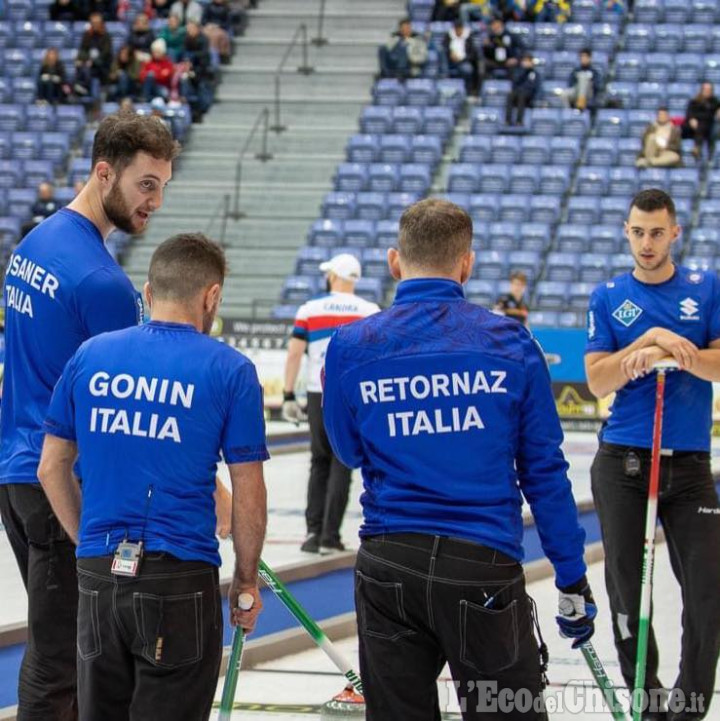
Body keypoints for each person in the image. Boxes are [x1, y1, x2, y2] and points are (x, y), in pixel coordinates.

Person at [322, 198, 594, 720]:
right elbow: (544, 473)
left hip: (389, 562)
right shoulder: (510, 342)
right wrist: (571, 577)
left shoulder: (351, 344)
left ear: (394, 261)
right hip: (481, 564)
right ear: (467, 264)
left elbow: (348, 450)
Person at [38, 232, 268, 721]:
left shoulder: (90, 356)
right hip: (178, 581)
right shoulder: (230, 370)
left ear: (147, 293)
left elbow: (51, 466)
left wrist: (89, 544)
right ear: (212, 297)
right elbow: (248, 488)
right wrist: (246, 579)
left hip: (100, 578)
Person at [0, 111, 178, 721]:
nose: (154, 201)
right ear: (105, 172)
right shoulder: (103, 283)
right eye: (145, 184)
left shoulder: (34, 243)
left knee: (68, 655)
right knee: (61, 661)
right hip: (59, 488)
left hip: (16, 479)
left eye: (162, 187)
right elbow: (135, 402)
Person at [585, 188, 720, 721]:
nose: (647, 243)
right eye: (638, 232)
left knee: (708, 594)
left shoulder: (705, 288)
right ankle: (649, 704)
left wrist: (663, 348)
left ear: (675, 233)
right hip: (623, 462)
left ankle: (688, 710)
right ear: (626, 231)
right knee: (627, 595)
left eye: (657, 232)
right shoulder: (608, 295)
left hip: (687, 465)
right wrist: (653, 341)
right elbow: (597, 380)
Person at [283, 253, 380, 555]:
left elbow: (295, 353)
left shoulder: (310, 309)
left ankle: (312, 533)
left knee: (318, 460)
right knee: (343, 463)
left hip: (317, 391)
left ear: (334, 276)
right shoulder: (369, 311)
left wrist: (288, 394)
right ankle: (330, 535)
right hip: (351, 395)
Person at [74, 12, 113, 94]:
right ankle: (81, 88)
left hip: (102, 66)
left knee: (87, 69)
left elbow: (105, 54)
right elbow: (82, 51)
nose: (95, 25)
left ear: (101, 23)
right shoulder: (87, 35)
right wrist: (85, 59)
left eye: (97, 23)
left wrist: (93, 61)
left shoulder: (106, 36)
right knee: (81, 65)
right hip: (89, 64)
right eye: (93, 23)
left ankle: (84, 87)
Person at [682, 82, 720, 160]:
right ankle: (700, 150)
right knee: (700, 125)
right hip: (693, 127)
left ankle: (698, 148)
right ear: (702, 90)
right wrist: (691, 119)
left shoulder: (715, 101)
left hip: (709, 125)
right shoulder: (694, 101)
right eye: (705, 89)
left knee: (706, 126)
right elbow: (689, 114)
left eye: (709, 89)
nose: (707, 91)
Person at [442, 19, 479, 95]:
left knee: (468, 69)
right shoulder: (448, 35)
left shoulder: (468, 36)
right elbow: (444, 48)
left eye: (460, 29)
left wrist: (463, 58)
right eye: (456, 29)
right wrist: (450, 53)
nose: (458, 31)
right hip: (449, 61)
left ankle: (468, 91)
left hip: (464, 60)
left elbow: (473, 53)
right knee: (442, 66)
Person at [505, 51, 541, 126]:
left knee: (522, 95)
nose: (526, 63)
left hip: (528, 96)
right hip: (517, 93)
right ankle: (507, 121)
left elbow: (536, 87)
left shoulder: (535, 73)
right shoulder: (518, 71)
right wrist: (524, 70)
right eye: (525, 61)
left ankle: (519, 121)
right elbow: (515, 82)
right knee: (510, 95)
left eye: (528, 61)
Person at [482, 15, 521, 80]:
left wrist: (515, 58)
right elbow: (486, 53)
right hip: (494, 61)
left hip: (508, 61)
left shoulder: (510, 35)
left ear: (501, 24)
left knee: (515, 68)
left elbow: (520, 48)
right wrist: (486, 46)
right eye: (493, 25)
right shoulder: (491, 37)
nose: (494, 27)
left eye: (496, 24)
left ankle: (513, 88)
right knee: (483, 65)